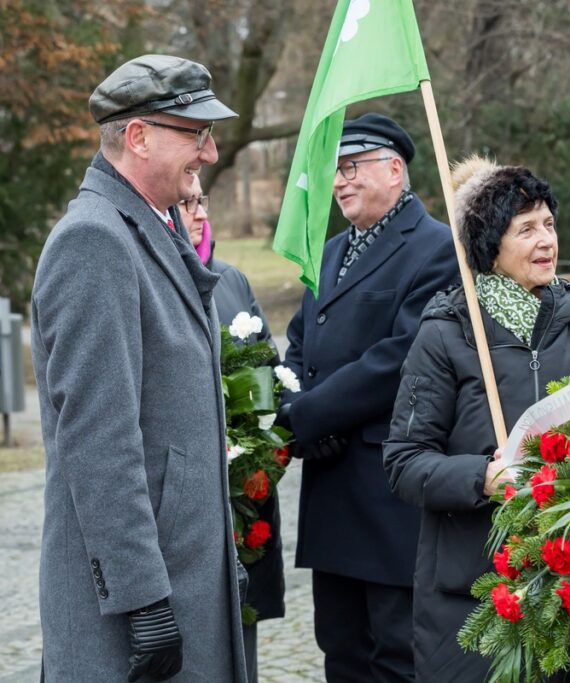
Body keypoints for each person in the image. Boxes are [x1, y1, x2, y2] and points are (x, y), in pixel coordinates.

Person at [30, 55, 246, 681]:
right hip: (131, 612)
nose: (209, 152)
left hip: (182, 577)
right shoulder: (94, 240)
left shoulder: (151, 224)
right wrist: (141, 598)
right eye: (195, 134)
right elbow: (99, 441)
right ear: (138, 136)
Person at [383, 157, 570, 681]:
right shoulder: (446, 334)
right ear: (489, 246)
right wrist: (482, 476)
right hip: (470, 600)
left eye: (548, 223)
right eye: (525, 229)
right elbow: (404, 461)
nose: (546, 240)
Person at [277, 112, 460, 682]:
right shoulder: (330, 251)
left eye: (352, 167)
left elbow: (398, 359)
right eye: (335, 171)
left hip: (387, 491)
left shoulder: (436, 248)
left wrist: (307, 416)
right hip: (331, 483)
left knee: (395, 654)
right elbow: (301, 343)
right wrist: (295, 403)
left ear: (395, 170)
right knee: (342, 650)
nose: (339, 181)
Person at [179, 176, 284, 683]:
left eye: (201, 201)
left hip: (242, 499)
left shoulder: (231, 280)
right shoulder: (155, 281)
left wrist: (260, 445)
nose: (200, 213)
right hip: (187, 505)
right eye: (186, 203)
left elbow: (270, 369)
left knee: (241, 648)